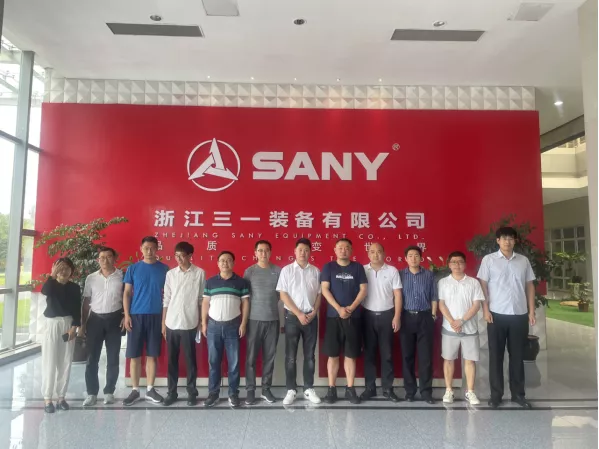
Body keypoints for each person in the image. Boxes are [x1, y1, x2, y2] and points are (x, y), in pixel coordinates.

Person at [478, 227, 536, 409]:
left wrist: (531, 311)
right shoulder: (489, 260)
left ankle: (518, 395)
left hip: (519, 314)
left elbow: (530, 286)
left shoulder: (523, 261)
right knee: (496, 356)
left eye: (511, 238)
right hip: (496, 314)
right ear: (498, 241)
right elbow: (483, 286)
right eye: (504, 238)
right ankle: (496, 395)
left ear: (515, 240)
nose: (507, 241)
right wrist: (485, 309)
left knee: (517, 356)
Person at [122, 236, 169, 406]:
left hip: (156, 316)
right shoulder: (133, 269)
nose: (149, 251)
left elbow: (169, 294)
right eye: (146, 248)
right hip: (136, 316)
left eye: (152, 248)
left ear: (157, 249)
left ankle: (150, 389)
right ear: (141, 249)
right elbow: (127, 293)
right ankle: (135, 390)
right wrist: (127, 315)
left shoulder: (165, 269)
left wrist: (164, 320)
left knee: (152, 354)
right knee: (134, 355)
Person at [321, 238, 368, 405]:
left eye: (347, 247)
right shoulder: (328, 267)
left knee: (351, 354)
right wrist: (338, 308)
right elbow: (324, 289)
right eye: (340, 247)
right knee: (332, 354)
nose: (343, 250)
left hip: (353, 317)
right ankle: (331, 389)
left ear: (351, 251)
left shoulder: (358, 267)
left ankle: (350, 389)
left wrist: (351, 308)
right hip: (333, 317)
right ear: (335, 250)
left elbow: (363, 289)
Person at [276, 238, 322, 406]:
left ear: (310, 252)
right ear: (295, 252)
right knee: (291, 356)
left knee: (310, 356)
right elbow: (283, 295)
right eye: (300, 250)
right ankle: (291, 390)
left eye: (306, 250)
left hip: (311, 317)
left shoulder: (316, 271)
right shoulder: (287, 270)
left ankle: (308, 388)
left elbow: (319, 294)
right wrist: (299, 314)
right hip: (292, 318)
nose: (303, 253)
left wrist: (314, 311)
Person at [201, 251, 250, 408]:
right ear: (218, 263)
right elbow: (205, 303)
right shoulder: (210, 282)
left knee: (234, 363)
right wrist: (203, 323)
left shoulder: (241, 282)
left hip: (233, 326)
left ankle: (233, 393)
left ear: (233, 263)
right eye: (222, 260)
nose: (225, 263)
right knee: (213, 362)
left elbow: (246, 303)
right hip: (213, 326)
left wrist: (243, 323)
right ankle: (213, 393)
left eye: (228, 260)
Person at [162, 242, 205, 407]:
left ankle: (192, 393)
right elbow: (166, 299)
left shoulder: (199, 273)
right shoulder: (171, 274)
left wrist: (201, 321)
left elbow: (201, 299)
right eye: (176, 255)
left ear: (190, 256)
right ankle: (171, 393)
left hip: (190, 322)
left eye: (182, 255)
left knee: (190, 360)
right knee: (171, 360)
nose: (178, 259)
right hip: (171, 322)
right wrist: (163, 323)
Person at [438, 251, 484, 405]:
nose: (457, 265)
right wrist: (452, 321)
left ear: (465, 264)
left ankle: (470, 391)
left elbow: (476, 305)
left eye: (460, 262)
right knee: (448, 359)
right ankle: (449, 390)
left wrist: (462, 321)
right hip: (449, 328)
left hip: (469, 329)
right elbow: (441, 304)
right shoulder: (443, 282)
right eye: (453, 262)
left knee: (470, 360)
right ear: (449, 264)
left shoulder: (473, 282)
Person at [82, 247, 124, 407]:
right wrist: (83, 323)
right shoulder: (91, 278)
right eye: (102, 257)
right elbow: (86, 302)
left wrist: (125, 315)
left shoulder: (122, 276)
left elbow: (127, 297)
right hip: (95, 320)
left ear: (115, 258)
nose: (105, 260)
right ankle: (91, 393)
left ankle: (109, 392)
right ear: (97, 260)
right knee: (92, 359)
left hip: (115, 319)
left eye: (108, 257)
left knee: (113, 358)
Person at [360, 243, 402, 403]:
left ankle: (387, 389)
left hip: (387, 316)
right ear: (368, 254)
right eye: (372, 252)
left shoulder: (392, 271)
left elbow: (398, 295)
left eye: (378, 252)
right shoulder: (362, 270)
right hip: (367, 315)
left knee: (387, 354)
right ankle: (370, 388)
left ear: (384, 253)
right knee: (369, 353)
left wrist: (396, 317)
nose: (375, 254)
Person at [41, 258, 82, 413]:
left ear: (72, 271)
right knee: (50, 360)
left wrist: (74, 328)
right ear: (55, 269)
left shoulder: (74, 287)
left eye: (67, 268)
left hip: (68, 324)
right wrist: (52, 275)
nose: (64, 271)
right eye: (60, 268)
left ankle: (61, 397)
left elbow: (77, 309)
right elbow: (44, 291)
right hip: (52, 324)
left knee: (65, 361)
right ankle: (48, 398)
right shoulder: (51, 285)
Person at [243, 240, 281, 405]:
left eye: (266, 250)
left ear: (270, 252)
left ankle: (266, 389)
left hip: (272, 320)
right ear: (255, 253)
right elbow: (245, 297)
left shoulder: (277, 271)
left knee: (269, 357)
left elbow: (280, 295)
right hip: (254, 320)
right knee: (251, 357)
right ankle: (250, 390)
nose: (263, 253)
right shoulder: (250, 272)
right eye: (260, 250)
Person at [399, 245, 438, 404]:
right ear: (405, 258)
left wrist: (433, 315)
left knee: (425, 357)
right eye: (410, 256)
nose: (413, 258)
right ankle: (410, 391)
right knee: (407, 356)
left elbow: (434, 296)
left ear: (421, 258)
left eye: (416, 255)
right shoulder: (400, 275)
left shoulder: (429, 275)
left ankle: (426, 392)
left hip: (425, 317)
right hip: (406, 317)